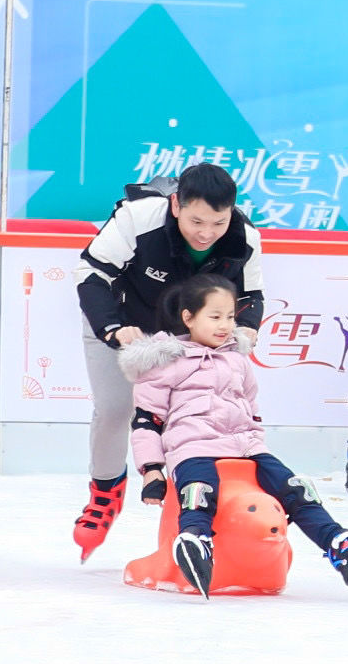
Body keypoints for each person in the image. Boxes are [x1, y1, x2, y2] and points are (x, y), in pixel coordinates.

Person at [120, 275, 348, 601]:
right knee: (199, 491)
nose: (224, 326)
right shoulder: (165, 362)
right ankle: (195, 541)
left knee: (298, 489)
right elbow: (146, 420)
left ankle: (345, 550)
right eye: (214, 317)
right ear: (189, 317)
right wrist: (152, 469)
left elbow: (251, 409)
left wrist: (255, 444)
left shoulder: (237, 359)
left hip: (246, 447)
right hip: (193, 446)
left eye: (230, 317)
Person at [74, 162, 266, 557]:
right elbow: (91, 274)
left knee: (202, 417)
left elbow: (252, 296)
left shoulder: (244, 236)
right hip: (127, 326)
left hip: (190, 337)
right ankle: (106, 490)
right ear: (176, 204)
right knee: (115, 410)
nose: (206, 233)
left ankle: (204, 506)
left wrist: (246, 328)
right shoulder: (138, 217)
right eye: (196, 220)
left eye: (218, 222)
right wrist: (112, 329)